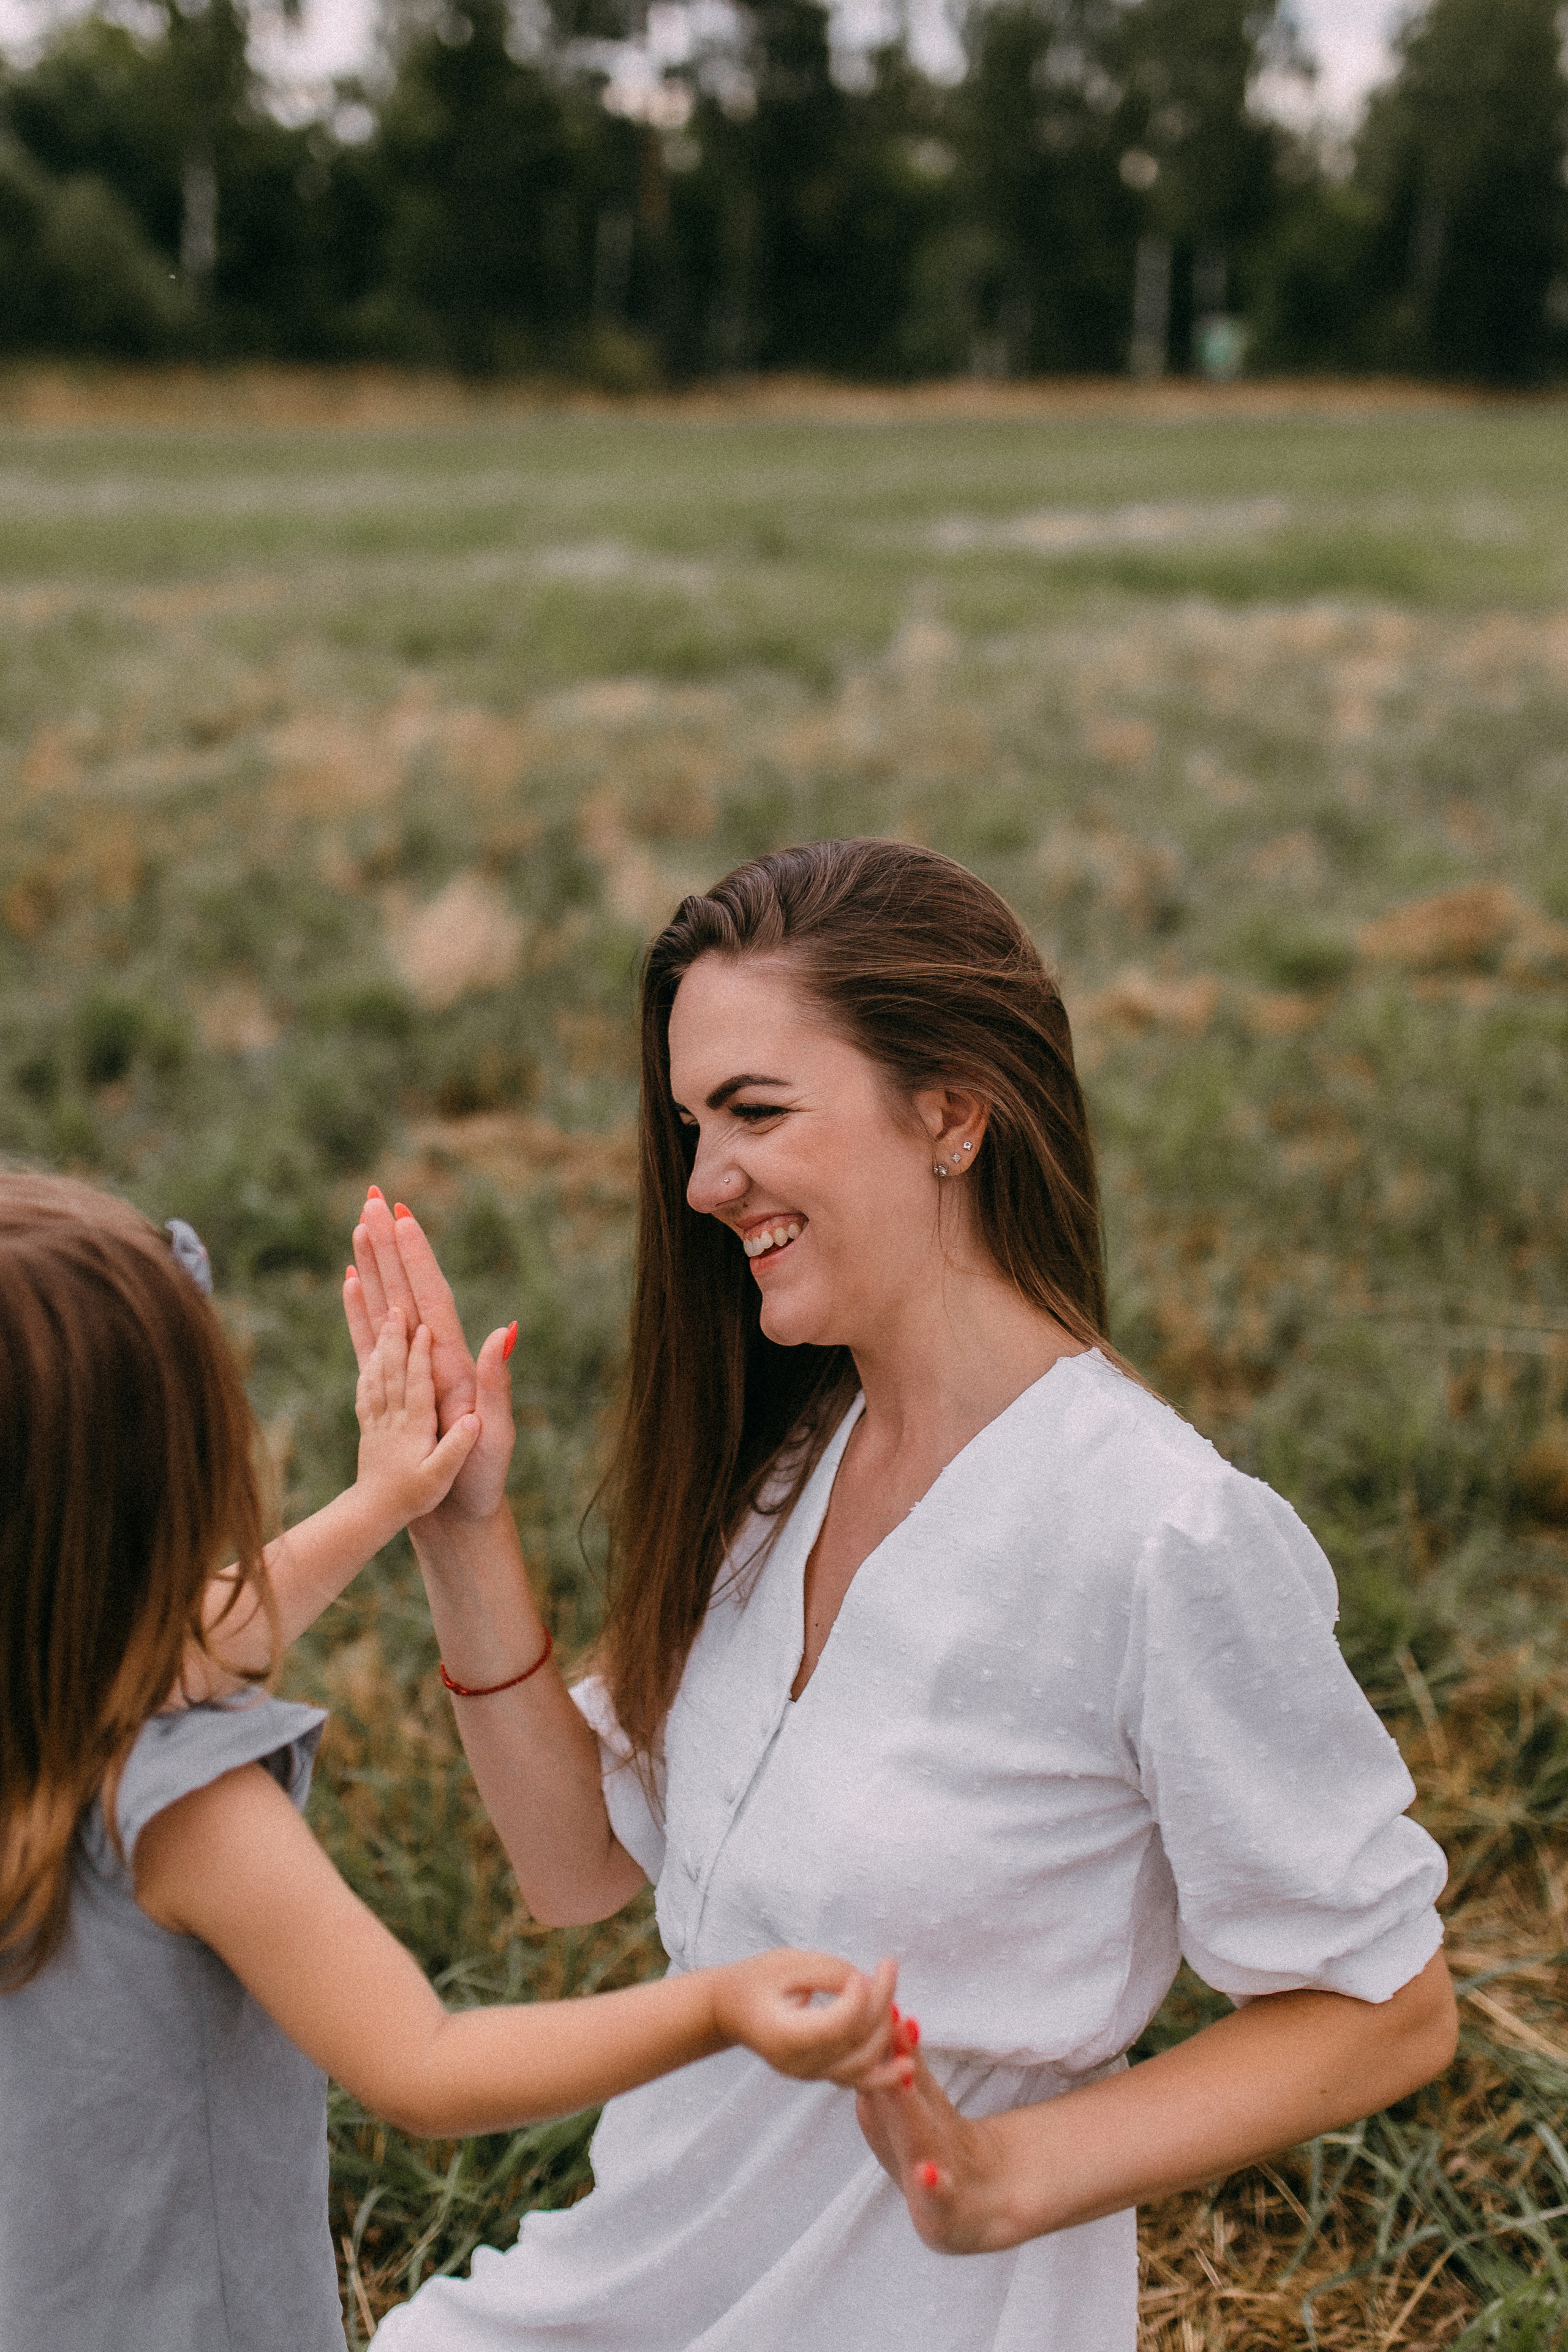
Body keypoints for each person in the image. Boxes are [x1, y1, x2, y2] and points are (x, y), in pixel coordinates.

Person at [351, 836, 1457, 2352]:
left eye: (752, 1112)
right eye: (687, 1124)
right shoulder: (790, 1461)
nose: (699, 1181)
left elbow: (1386, 2004)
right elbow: (573, 1869)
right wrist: (459, 1527)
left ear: (947, 1115)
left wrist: (1002, 2175)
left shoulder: (1159, 1535)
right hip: (617, 2289)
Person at [0, 1174, 903, 2352]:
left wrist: (389, 1502)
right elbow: (425, 2065)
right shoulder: (181, 1809)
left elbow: (168, 1642)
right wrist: (717, 2005)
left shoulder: (44, 1715)